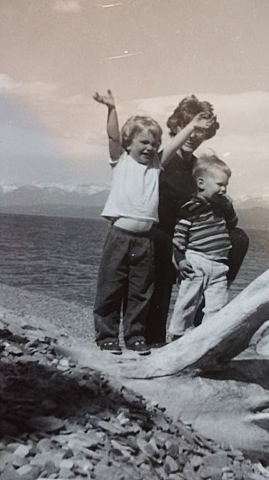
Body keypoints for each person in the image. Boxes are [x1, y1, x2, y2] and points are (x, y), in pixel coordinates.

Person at [92, 90, 212, 355]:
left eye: (152, 143)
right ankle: (106, 336)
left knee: (140, 293)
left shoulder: (157, 165)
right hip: (119, 237)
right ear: (129, 144)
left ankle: (135, 336)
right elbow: (112, 135)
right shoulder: (121, 162)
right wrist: (112, 108)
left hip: (145, 240)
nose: (148, 147)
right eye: (142, 142)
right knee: (111, 288)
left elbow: (172, 144)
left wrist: (192, 125)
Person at [144, 95, 249, 345]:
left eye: (200, 131)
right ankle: (155, 337)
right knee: (162, 245)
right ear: (176, 126)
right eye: (186, 127)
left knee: (238, 237)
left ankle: (206, 317)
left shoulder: (198, 168)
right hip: (162, 234)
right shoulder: (162, 159)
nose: (193, 136)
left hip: (192, 238)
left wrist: (224, 203)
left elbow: (216, 209)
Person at [167, 154, 238, 340]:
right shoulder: (190, 208)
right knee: (187, 301)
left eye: (226, 185)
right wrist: (181, 260)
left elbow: (233, 223)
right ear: (201, 183)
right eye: (220, 184)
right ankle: (177, 336)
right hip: (196, 261)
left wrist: (229, 207)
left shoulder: (221, 206)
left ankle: (206, 338)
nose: (224, 189)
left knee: (217, 304)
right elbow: (179, 237)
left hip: (219, 264)